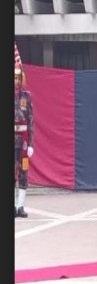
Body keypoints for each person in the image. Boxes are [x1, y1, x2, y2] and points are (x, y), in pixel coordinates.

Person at [14, 42, 34, 219]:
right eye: (14, 77)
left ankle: (21, 206)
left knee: (24, 171)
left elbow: (31, 121)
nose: (16, 81)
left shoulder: (27, 97)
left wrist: (32, 144)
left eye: (18, 77)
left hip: (24, 141)